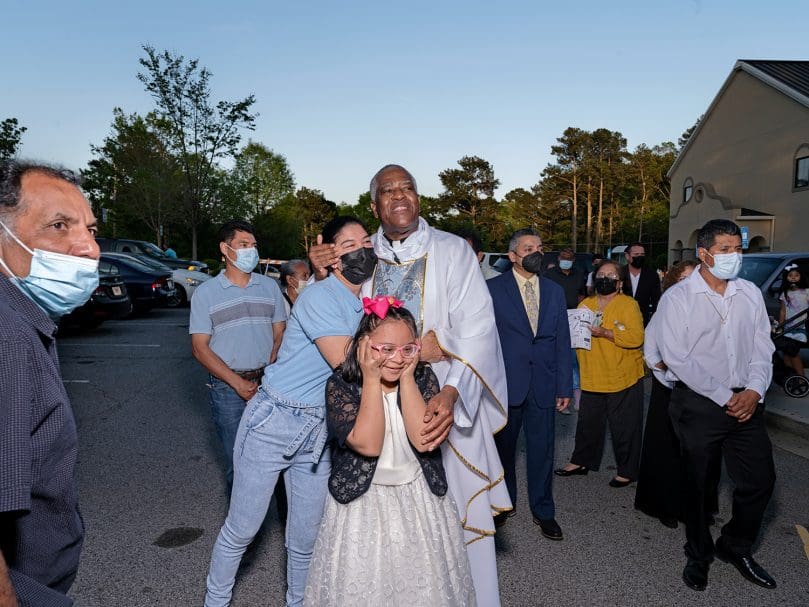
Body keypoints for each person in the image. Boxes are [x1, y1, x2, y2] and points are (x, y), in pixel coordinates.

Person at [308, 164, 509, 606]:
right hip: (373, 408)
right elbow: (335, 316)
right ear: (375, 204)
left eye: (408, 188)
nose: (399, 196)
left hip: (439, 405)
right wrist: (319, 271)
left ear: (419, 197)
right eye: (387, 190)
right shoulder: (362, 255)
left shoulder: (453, 251)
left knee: (453, 519)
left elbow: (478, 328)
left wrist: (451, 393)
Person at [204, 216, 376, 607]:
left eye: (365, 241)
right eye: (349, 245)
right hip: (274, 421)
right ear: (332, 256)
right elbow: (347, 364)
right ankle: (215, 601)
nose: (362, 250)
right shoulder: (319, 296)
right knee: (243, 528)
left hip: (318, 430)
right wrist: (414, 355)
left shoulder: (365, 303)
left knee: (306, 536)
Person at [304, 302, 474, 605]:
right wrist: (371, 379)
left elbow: (423, 441)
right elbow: (368, 444)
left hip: (418, 497)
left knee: (423, 586)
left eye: (408, 349)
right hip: (363, 504)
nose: (397, 358)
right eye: (386, 349)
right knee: (368, 587)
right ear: (364, 346)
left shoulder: (422, 378)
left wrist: (408, 377)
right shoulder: (341, 385)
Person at [656, 219, 776, 592]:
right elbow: (678, 358)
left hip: (746, 401)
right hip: (700, 403)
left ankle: (734, 546)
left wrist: (755, 390)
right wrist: (727, 397)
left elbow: (762, 346)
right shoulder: (677, 298)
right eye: (725, 249)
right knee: (697, 486)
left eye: (738, 248)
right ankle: (698, 553)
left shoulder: (750, 293)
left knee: (760, 481)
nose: (734, 256)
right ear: (704, 254)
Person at [0, 161, 101, 606]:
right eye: (59, 226)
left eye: (90, 228)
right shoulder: (6, 336)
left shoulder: (24, 320)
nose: (89, 247)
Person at [190, 220, 287, 495]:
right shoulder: (206, 293)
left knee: (275, 458)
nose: (251, 251)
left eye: (253, 245)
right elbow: (199, 347)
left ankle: (276, 518)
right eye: (243, 245)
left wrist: (270, 373)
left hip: (269, 385)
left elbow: (280, 331)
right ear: (225, 249)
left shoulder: (269, 288)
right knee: (239, 462)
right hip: (227, 388)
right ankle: (241, 531)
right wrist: (237, 383)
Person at [487, 228, 572, 541]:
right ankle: (501, 505)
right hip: (505, 385)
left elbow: (562, 340)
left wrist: (564, 386)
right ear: (513, 256)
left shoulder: (554, 291)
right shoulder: (492, 290)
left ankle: (544, 510)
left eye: (539, 246)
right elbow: (485, 342)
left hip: (544, 383)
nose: (536, 252)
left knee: (543, 451)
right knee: (502, 450)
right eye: (528, 247)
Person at [634, 260, 719, 529]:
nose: (689, 282)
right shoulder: (669, 305)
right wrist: (663, 365)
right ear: (672, 281)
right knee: (668, 447)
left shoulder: (713, 308)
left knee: (702, 450)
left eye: (694, 276)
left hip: (705, 389)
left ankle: (699, 507)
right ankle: (662, 505)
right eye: (682, 277)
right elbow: (651, 344)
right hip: (671, 388)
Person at [555, 260, 645, 488]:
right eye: (601, 274)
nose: (605, 278)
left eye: (611, 275)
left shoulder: (628, 304)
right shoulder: (586, 304)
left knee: (624, 428)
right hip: (593, 375)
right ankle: (581, 461)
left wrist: (606, 332)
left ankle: (627, 470)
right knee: (587, 424)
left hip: (622, 377)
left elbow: (636, 338)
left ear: (619, 282)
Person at [546, 247, 586, 415]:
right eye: (563, 257)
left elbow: (582, 295)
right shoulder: (549, 274)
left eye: (569, 258)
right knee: (557, 359)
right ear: (558, 258)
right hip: (554, 319)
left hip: (574, 319)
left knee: (573, 358)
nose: (566, 260)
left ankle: (575, 397)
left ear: (573, 260)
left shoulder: (578, 274)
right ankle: (559, 397)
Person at [775, 264, 808, 377]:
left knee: (793, 352)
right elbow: (783, 311)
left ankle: (801, 377)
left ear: (801, 277)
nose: (793, 278)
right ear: (786, 278)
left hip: (801, 328)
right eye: (790, 275)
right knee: (786, 354)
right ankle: (790, 376)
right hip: (788, 328)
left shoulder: (807, 292)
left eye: (796, 275)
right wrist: (780, 326)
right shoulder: (785, 294)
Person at [622, 242, 661, 326]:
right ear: (627, 256)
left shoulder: (652, 275)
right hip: (620, 319)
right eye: (636, 254)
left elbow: (656, 301)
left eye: (642, 254)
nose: (639, 257)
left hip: (644, 322)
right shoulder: (620, 273)